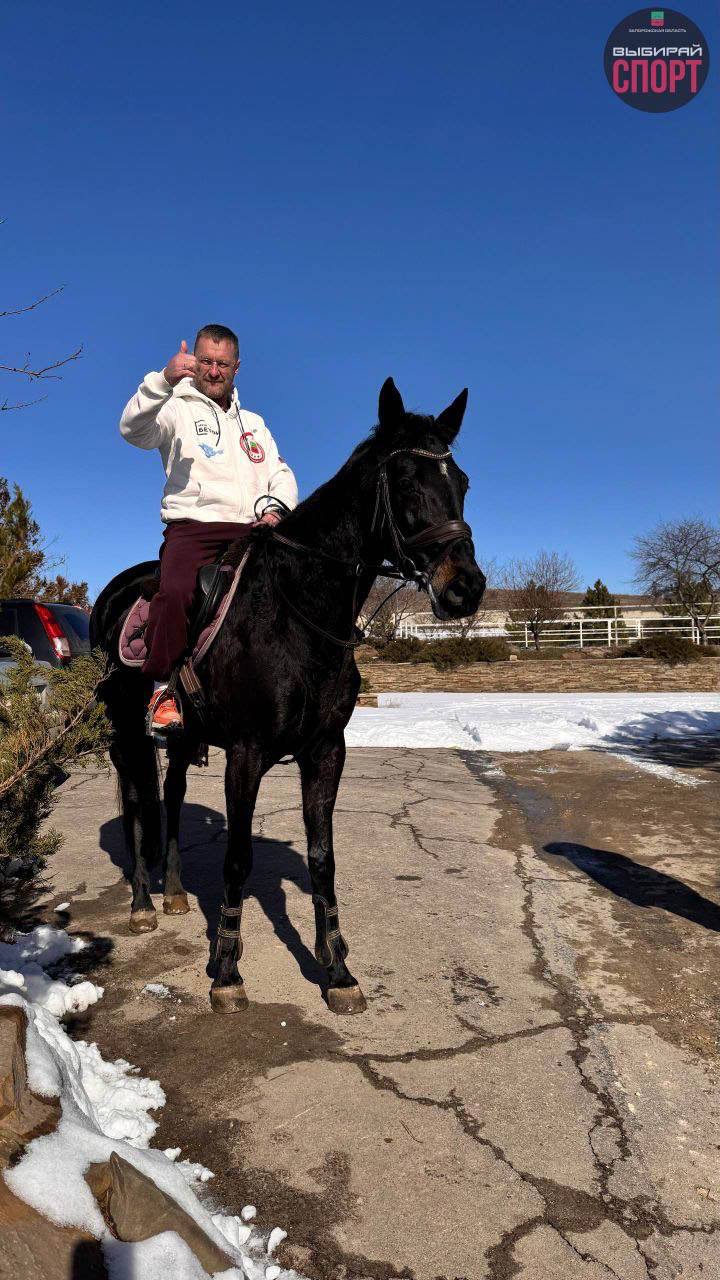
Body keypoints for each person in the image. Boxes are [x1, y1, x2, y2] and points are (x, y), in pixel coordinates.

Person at [120, 324, 298, 733]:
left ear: (236, 367)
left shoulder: (253, 423)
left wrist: (275, 508)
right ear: (194, 362)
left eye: (222, 363)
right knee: (177, 589)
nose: (214, 371)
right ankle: (163, 691)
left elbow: (281, 472)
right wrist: (162, 380)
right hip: (193, 527)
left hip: (254, 528)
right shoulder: (174, 408)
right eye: (205, 362)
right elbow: (132, 430)